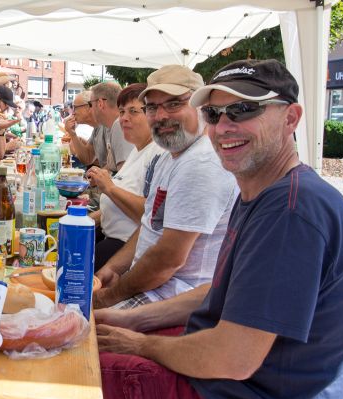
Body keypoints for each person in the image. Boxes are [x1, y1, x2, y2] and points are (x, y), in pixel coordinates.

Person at [75, 59, 343, 399]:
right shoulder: (264, 191)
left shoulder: (290, 210)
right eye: (215, 113)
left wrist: (142, 343)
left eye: (245, 109)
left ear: (291, 118)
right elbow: (215, 292)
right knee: (79, 344)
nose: (225, 126)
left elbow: (232, 357)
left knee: (60, 382)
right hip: (237, 392)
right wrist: (135, 321)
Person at [94, 65, 238, 310]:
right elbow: (150, 224)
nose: (160, 116)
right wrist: (111, 269)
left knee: (74, 333)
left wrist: (110, 296)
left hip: (174, 300)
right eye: (152, 107)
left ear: (201, 107)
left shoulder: (201, 162)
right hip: (153, 289)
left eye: (174, 104)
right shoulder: (170, 156)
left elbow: (167, 261)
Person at [86, 83, 164, 271]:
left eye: (133, 111)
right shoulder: (137, 151)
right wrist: (85, 219)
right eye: (121, 112)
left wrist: (110, 188)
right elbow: (116, 208)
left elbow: (152, 217)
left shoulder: (158, 155)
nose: (124, 119)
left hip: (126, 250)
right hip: (110, 238)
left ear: (151, 115)